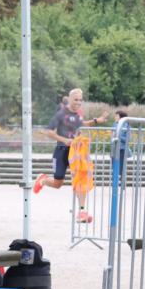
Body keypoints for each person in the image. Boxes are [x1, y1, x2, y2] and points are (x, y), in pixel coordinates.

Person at [34, 88, 108, 223]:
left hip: (76, 152)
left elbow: (82, 124)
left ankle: (82, 211)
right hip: (61, 151)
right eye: (76, 100)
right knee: (58, 184)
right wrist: (64, 140)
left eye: (80, 100)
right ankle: (43, 180)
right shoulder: (61, 114)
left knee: (81, 178)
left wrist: (97, 121)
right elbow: (49, 131)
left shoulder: (79, 114)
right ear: (69, 99)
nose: (78, 102)